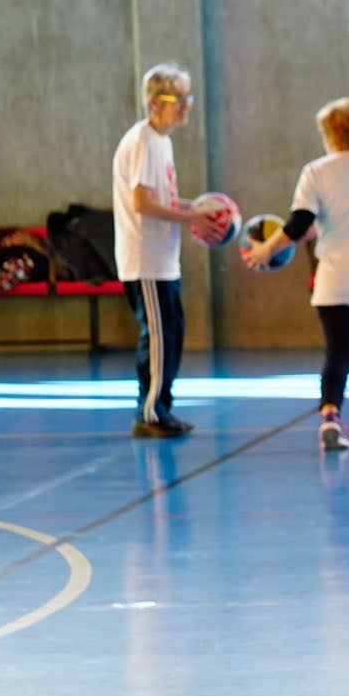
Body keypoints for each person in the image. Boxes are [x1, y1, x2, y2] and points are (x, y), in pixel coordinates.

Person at [247, 98, 349, 451]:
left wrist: (264, 250)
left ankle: (331, 415)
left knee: (339, 350)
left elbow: (300, 223)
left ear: (327, 134)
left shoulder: (316, 172)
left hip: (340, 281)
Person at [113, 63, 201, 439]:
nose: (185, 106)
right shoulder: (144, 140)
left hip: (164, 258)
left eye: (188, 98)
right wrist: (189, 216)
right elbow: (142, 203)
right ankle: (149, 412)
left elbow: (161, 198)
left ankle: (161, 405)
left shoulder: (161, 141)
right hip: (145, 257)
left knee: (173, 333)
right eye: (177, 99)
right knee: (160, 336)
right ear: (153, 102)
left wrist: (196, 209)